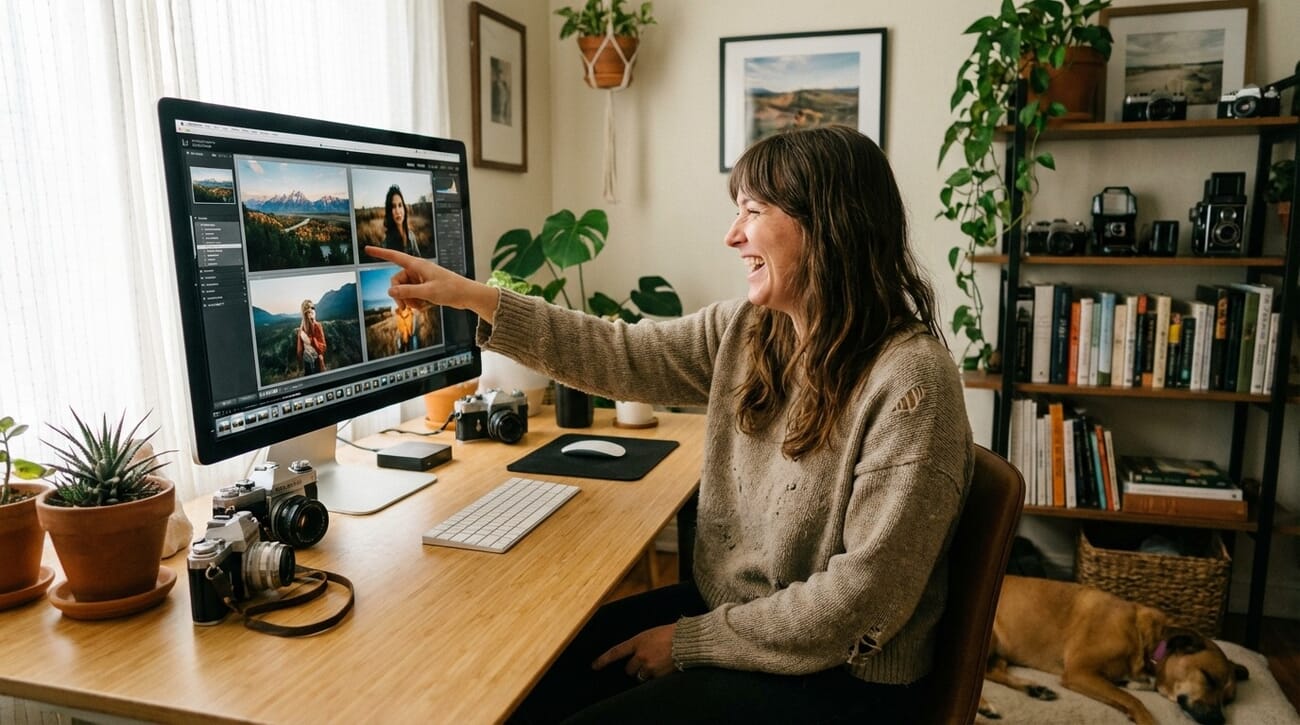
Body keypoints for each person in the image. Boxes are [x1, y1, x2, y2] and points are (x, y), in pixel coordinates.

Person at [366, 124, 974, 724]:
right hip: (743, 616)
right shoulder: (752, 331)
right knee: (532, 680)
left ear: (829, 226)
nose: (733, 235)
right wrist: (474, 297)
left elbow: (857, 603)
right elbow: (620, 354)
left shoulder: (912, 384)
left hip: (843, 679)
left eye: (752, 211)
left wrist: (688, 643)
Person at [382, 184, 420, 256]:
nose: (398, 211)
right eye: (393, 207)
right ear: (389, 211)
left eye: (400, 205)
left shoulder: (411, 236)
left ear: (404, 208)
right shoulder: (386, 244)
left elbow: (419, 260)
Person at [296, 299, 326, 375]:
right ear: (306, 312)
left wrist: (310, 341)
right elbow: (299, 351)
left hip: (313, 361)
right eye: (310, 308)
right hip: (310, 363)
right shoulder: (302, 329)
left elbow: (323, 348)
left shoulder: (316, 326)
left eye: (313, 308)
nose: (312, 310)